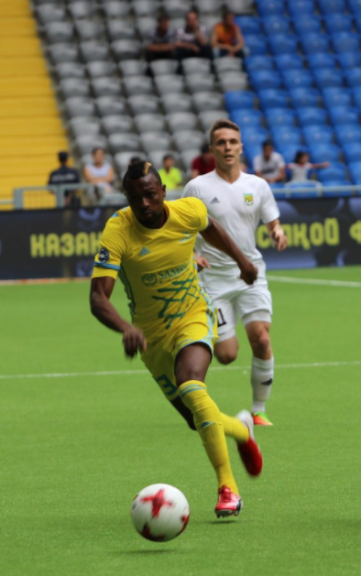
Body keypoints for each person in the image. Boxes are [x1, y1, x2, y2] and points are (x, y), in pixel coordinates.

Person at [89, 159, 264, 517]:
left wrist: (243, 261)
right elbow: (97, 297)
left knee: (190, 384)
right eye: (136, 198)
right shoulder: (118, 230)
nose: (145, 205)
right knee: (194, 418)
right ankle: (241, 429)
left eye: (151, 195)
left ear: (164, 191)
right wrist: (126, 328)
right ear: (126, 198)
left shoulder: (188, 210)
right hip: (150, 339)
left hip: (194, 316)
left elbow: (209, 226)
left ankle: (227, 489)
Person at [184, 120, 289, 427]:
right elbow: (178, 229)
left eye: (233, 142)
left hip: (251, 273)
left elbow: (273, 223)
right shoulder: (197, 188)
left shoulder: (257, 186)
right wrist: (191, 255)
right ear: (212, 149)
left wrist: (277, 233)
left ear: (241, 147)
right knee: (227, 354)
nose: (227, 147)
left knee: (261, 337)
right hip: (214, 280)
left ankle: (258, 410)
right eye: (221, 143)